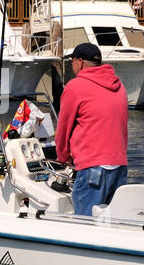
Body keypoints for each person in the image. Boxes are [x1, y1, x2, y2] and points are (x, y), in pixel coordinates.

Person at [54, 42, 128, 216]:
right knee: (110, 223)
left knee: (85, 225)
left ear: (80, 62)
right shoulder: (119, 85)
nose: (71, 65)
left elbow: (63, 128)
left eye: (72, 61)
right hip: (119, 166)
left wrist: (62, 157)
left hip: (93, 168)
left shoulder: (75, 87)